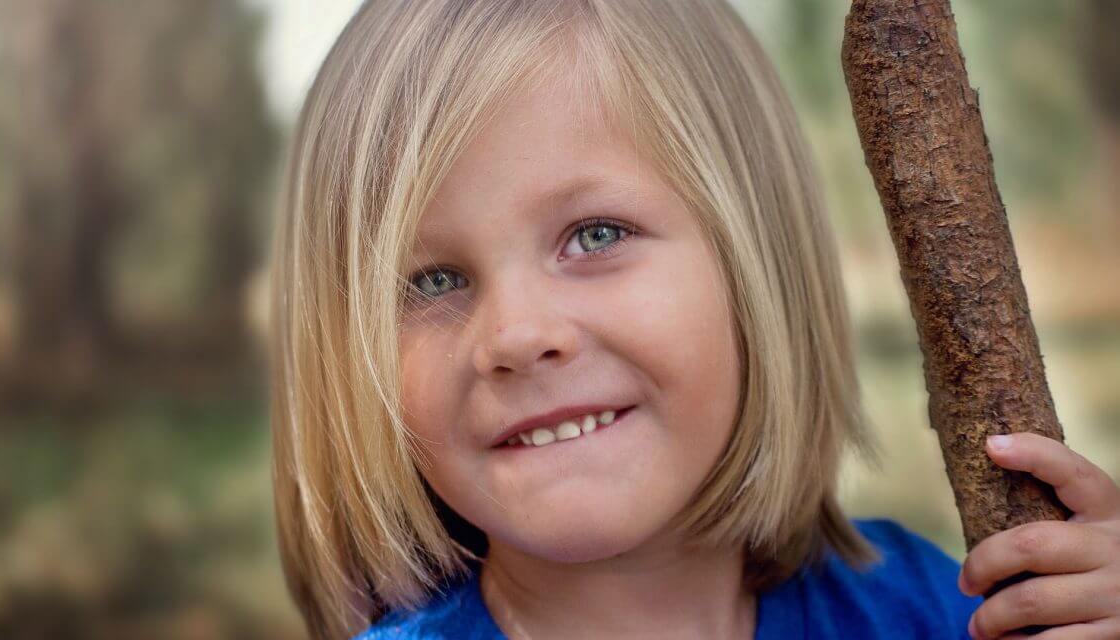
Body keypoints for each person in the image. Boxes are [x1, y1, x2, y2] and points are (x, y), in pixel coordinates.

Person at [267, 1, 1120, 638]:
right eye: (431, 281)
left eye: (594, 235)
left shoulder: (942, 611)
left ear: (754, 262)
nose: (517, 334)